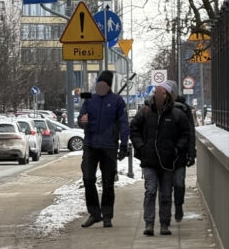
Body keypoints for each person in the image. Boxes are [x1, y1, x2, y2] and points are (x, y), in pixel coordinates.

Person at [130, 82, 191, 235]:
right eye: (157, 92)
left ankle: (164, 223)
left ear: (168, 96)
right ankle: (149, 224)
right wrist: (141, 146)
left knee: (165, 194)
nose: (158, 95)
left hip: (168, 161)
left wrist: (177, 149)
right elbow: (134, 128)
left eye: (162, 93)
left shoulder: (177, 114)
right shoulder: (145, 111)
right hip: (149, 160)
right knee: (150, 191)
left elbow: (186, 133)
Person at [77, 70, 129, 228]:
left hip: (109, 147)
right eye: (98, 83)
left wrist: (124, 145)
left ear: (108, 86)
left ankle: (107, 216)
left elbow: (124, 124)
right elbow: (80, 120)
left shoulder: (117, 101)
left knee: (108, 183)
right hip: (90, 145)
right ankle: (94, 214)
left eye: (103, 84)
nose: (100, 86)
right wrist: (82, 121)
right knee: (88, 179)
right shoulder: (89, 100)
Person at [172, 90, 196, 222]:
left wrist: (191, 153)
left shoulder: (185, 109)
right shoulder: (158, 107)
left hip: (180, 154)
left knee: (179, 183)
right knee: (164, 186)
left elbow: (190, 132)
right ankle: (165, 215)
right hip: (163, 155)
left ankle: (178, 206)